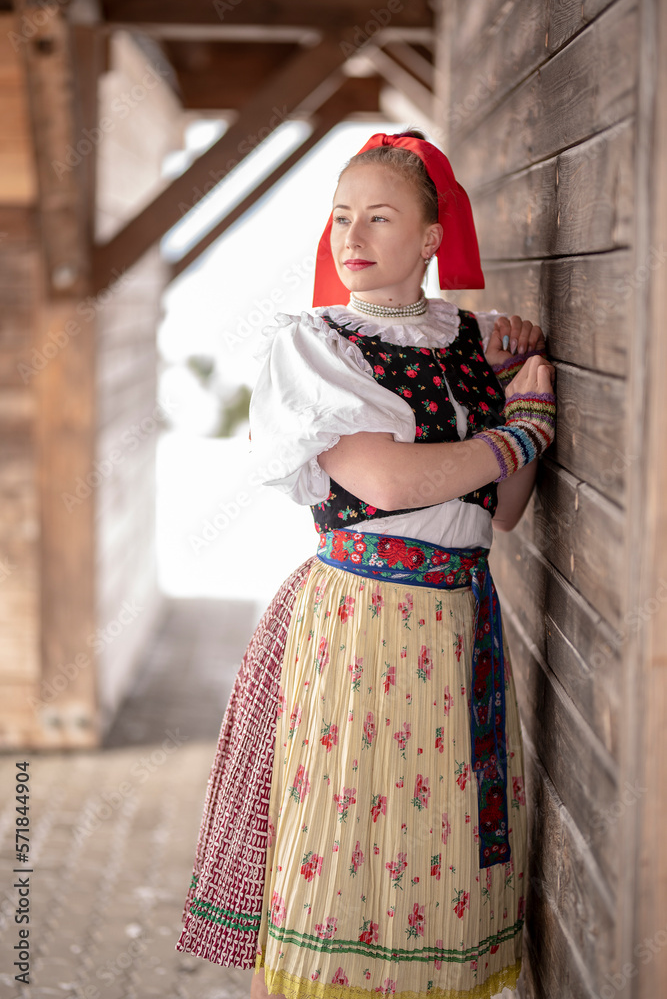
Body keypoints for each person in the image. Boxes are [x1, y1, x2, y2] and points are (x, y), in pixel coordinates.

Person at [175, 129, 556, 999]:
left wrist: (518, 391)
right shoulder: (317, 347)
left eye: (379, 217)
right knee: (354, 840)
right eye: (341, 216)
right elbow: (388, 481)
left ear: (429, 238)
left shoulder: (469, 339)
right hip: (364, 622)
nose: (352, 235)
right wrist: (519, 432)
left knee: (438, 840)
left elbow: (500, 508)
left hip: (459, 614)